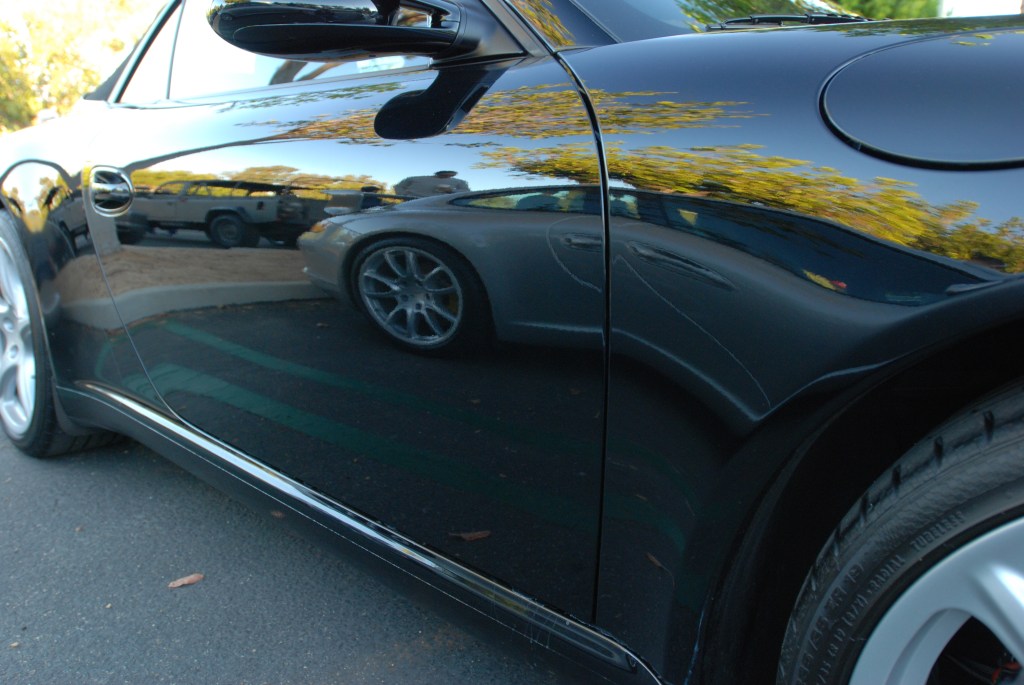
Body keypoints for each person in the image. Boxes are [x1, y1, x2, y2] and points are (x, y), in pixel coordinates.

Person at [394, 170, 469, 198]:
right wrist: (404, 196)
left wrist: (451, 191)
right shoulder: (415, 179)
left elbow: (466, 192)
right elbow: (398, 187)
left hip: (439, 204)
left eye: (452, 174)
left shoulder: (459, 182)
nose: (449, 175)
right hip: (412, 201)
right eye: (447, 172)